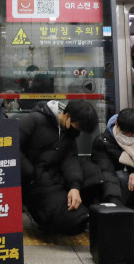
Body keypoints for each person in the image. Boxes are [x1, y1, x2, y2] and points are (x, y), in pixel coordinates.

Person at [19, 99, 118, 235]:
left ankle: (87, 209)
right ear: (67, 115)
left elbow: (70, 159)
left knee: (93, 173)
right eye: (77, 127)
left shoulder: (69, 131)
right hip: (34, 178)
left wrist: (74, 187)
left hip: (55, 174)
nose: (77, 131)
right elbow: (13, 148)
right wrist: (30, 174)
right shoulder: (34, 120)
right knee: (73, 221)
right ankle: (44, 217)